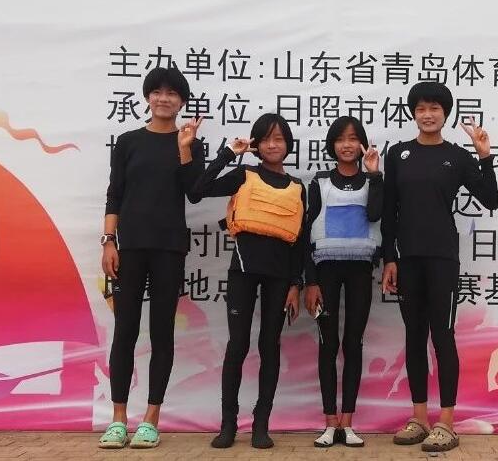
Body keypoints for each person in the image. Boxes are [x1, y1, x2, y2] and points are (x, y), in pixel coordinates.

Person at [380, 81, 498, 453]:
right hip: (407, 258)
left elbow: (490, 199)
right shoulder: (397, 154)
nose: (427, 114)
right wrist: (389, 258)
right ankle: (419, 418)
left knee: (442, 336)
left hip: (442, 258)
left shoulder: (457, 157)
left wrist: (484, 157)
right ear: (413, 114)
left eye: (434, 108)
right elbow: (388, 211)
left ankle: (446, 422)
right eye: (421, 108)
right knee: (414, 337)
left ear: (445, 114)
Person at [98, 67, 205, 450]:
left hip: (169, 248)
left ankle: (150, 420)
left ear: (182, 102)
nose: (164, 98)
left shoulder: (191, 143)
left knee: (162, 332)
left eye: (172, 94)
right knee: (125, 330)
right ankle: (118, 419)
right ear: (147, 97)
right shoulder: (128, 142)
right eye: (157, 92)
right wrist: (109, 241)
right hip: (129, 248)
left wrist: (185, 148)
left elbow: (194, 192)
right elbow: (115, 193)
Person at [192, 113, 310, 450]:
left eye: (279, 139)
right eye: (266, 139)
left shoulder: (298, 187)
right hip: (243, 271)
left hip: (280, 276)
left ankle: (261, 425)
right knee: (238, 345)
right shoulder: (244, 174)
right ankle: (228, 424)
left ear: (288, 145)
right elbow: (197, 191)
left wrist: (296, 284)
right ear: (257, 144)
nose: (273, 145)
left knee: (269, 346)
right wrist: (229, 153)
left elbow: (300, 242)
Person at [301, 116, 383, 447]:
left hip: (361, 271)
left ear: (362, 143)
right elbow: (305, 233)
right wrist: (310, 281)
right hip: (325, 273)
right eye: (340, 139)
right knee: (328, 343)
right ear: (332, 145)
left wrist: (374, 175)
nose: (347, 145)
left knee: (353, 343)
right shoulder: (319, 182)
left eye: (353, 138)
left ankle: (347, 423)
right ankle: (329, 422)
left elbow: (375, 215)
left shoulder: (373, 180)